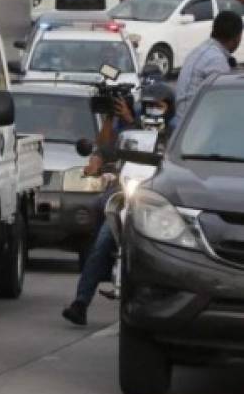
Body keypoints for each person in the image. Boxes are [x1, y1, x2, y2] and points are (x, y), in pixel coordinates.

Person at [62, 82, 176, 326]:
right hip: (128, 193)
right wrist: (98, 159)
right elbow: (106, 149)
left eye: (159, 106)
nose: (153, 110)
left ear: (170, 108)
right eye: (148, 106)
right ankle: (80, 302)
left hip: (160, 202)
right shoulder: (130, 131)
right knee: (103, 239)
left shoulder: (176, 134)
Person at [175, 10, 243, 122]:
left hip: (183, 117)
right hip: (196, 126)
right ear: (237, 37)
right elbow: (225, 103)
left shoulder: (202, 50)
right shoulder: (216, 61)